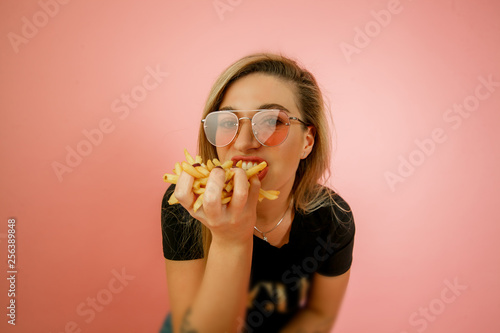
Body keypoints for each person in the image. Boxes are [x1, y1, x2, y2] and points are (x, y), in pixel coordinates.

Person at [160, 53, 355, 333]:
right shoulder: (187, 202)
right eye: (228, 122)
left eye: (272, 121)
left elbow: (320, 313)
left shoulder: (332, 218)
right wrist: (230, 241)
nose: (243, 142)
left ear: (307, 142)